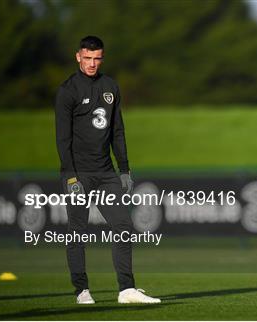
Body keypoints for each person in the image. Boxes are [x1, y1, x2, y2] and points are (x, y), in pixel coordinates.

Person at [55, 35, 160, 304]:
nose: (92, 63)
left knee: (123, 224)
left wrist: (124, 169)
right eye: (87, 58)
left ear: (102, 58)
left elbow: (117, 130)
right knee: (77, 230)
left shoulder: (110, 86)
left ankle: (126, 289)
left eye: (97, 58)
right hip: (78, 173)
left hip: (106, 173)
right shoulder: (67, 91)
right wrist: (70, 176)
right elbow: (62, 138)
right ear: (78, 56)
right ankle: (81, 290)